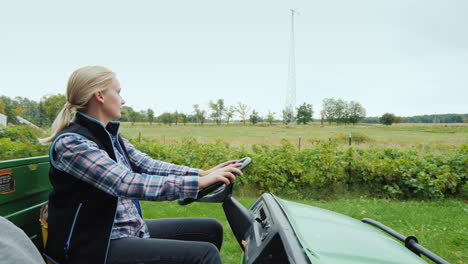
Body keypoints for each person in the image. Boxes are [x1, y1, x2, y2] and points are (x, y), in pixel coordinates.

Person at [39, 66, 242, 264]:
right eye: (118, 92)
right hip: (92, 245)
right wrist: (197, 183)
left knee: (210, 229)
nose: (123, 100)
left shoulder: (109, 136)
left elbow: (148, 166)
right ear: (99, 96)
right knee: (204, 254)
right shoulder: (73, 144)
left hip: (122, 229)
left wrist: (202, 174)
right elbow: (127, 183)